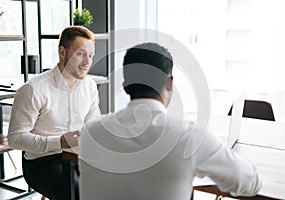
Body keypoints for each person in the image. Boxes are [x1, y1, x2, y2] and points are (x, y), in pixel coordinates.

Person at [78, 42, 262, 200]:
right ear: (169, 83)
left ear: (126, 87)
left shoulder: (90, 133)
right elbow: (250, 183)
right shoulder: (188, 138)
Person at [7, 26, 100, 200]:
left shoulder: (90, 86)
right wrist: (59, 142)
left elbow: (93, 126)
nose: (87, 62)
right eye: (80, 54)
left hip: (78, 158)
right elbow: (15, 138)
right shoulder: (33, 89)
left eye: (90, 55)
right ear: (62, 52)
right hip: (42, 162)